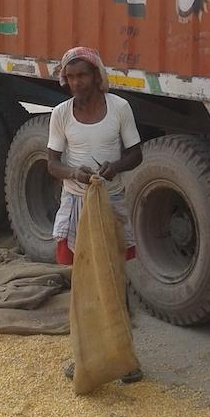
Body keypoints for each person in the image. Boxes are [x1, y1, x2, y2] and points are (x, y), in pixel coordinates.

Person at [47, 46, 143, 382]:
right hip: (76, 206)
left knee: (115, 279)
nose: (76, 82)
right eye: (70, 77)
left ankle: (126, 360)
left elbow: (136, 154)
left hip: (110, 203)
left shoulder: (119, 108)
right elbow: (52, 164)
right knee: (84, 284)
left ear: (96, 76)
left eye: (82, 75)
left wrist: (114, 168)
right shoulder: (61, 113)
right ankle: (85, 358)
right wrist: (74, 173)